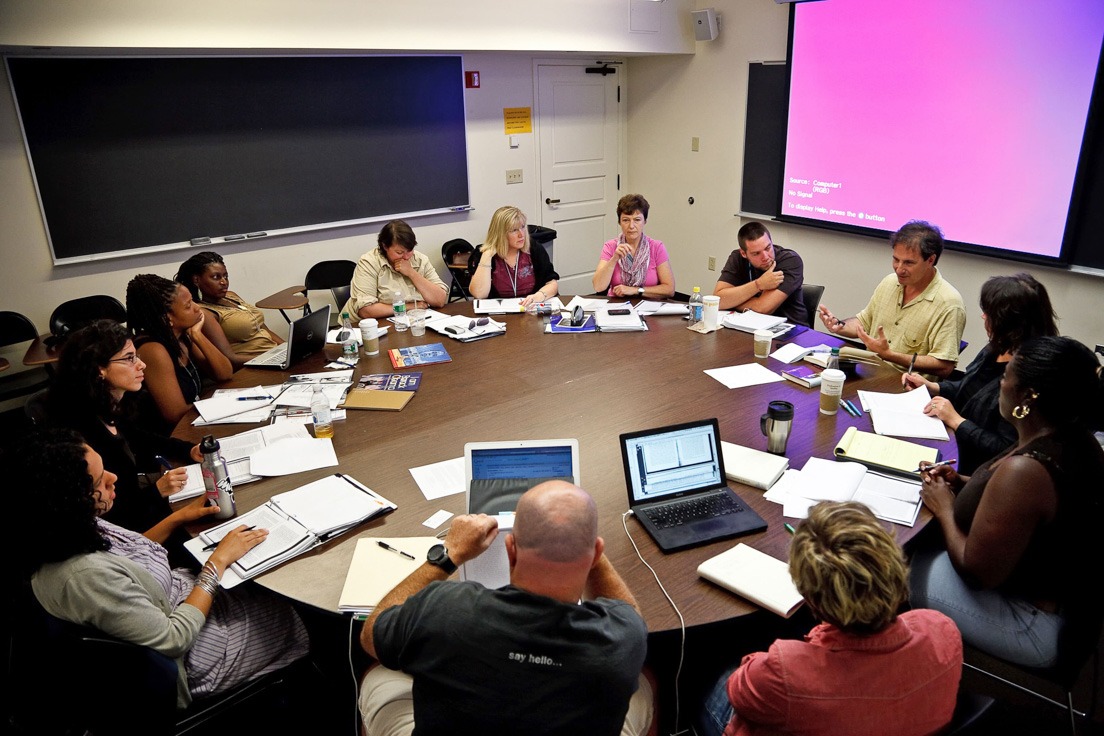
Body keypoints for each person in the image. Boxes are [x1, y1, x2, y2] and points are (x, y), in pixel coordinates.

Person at [16, 429, 310, 710]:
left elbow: (125, 558)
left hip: (183, 602)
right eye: (99, 481)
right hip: (193, 656)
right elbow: (174, 638)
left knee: (261, 578)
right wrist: (216, 563)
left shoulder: (67, 527)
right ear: (69, 498)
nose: (113, 478)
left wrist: (178, 518)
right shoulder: (83, 577)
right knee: (296, 602)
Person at [359, 481, 653, 736]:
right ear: (596, 553)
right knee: (644, 684)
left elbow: (371, 634)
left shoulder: (445, 609)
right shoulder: (621, 638)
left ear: (510, 549)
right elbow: (627, 614)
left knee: (378, 675)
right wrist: (581, 542)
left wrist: (449, 554)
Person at [910, 336, 1104, 668]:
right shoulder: (1069, 435)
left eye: (1007, 376)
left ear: (1028, 396)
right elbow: (1023, 504)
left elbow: (976, 572)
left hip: (1029, 621)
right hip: (1048, 596)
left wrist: (943, 507)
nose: (1000, 383)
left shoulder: (1028, 469)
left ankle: (913, 677)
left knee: (883, 571)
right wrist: (962, 482)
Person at [698, 502, 961, 736]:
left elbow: (738, 691)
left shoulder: (784, 671)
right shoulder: (941, 629)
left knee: (710, 672)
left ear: (809, 597)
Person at [46, 320, 206, 562]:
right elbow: (110, 514)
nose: (141, 364)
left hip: (143, 510)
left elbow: (140, 436)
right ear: (99, 369)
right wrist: (157, 490)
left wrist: (188, 449)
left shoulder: (107, 405)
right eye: (129, 358)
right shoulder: (81, 435)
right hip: (131, 541)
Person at [902, 273, 1059, 474]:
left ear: (1008, 321)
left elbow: (1005, 448)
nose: (983, 316)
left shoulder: (1029, 376)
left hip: (975, 469)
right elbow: (970, 388)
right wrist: (933, 387)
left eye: (989, 313)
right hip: (954, 442)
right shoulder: (998, 347)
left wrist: (957, 421)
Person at [818, 220, 966, 378]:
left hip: (906, 388)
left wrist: (889, 355)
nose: (899, 269)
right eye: (896, 260)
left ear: (930, 260)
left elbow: (944, 366)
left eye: (909, 263)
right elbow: (864, 324)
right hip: (869, 374)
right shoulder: (890, 282)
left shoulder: (949, 304)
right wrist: (839, 326)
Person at [126, 273, 233, 433]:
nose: (198, 308)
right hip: (169, 437)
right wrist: (221, 408)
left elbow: (224, 373)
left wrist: (198, 336)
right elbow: (175, 414)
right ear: (167, 318)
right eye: (188, 305)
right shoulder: (152, 350)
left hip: (194, 422)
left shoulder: (182, 335)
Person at [174, 251, 282, 370]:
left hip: (275, 356)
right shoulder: (205, 312)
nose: (224, 282)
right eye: (216, 277)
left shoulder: (232, 296)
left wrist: (288, 348)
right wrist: (271, 359)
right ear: (196, 280)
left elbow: (263, 328)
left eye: (225, 276)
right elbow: (230, 358)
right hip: (254, 366)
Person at [342, 219, 448, 326]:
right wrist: (409, 307)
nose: (406, 257)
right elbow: (366, 311)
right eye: (399, 252)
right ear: (385, 246)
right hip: (366, 327)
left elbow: (439, 300)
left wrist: (411, 273)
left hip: (411, 322)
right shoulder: (369, 263)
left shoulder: (420, 260)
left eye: (410, 250)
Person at [713, 221, 808, 325]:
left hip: (790, 330)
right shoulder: (737, 258)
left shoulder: (790, 261)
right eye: (756, 253)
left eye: (768, 248)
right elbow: (718, 301)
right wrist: (759, 284)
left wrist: (733, 302)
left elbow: (763, 309)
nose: (766, 257)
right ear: (744, 253)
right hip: (748, 326)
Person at [468, 206, 559, 307]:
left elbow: (552, 284)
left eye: (523, 227)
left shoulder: (533, 248)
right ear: (500, 234)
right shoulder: (483, 254)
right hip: (500, 313)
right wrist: (487, 256)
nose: (521, 235)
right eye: (514, 230)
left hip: (530, 309)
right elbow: (479, 294)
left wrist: (539, 295)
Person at [592, 194, 675, 299]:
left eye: (637, 220)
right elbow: (598, 287)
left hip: (649, 307)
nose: (631, 226)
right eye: (626, 220)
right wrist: (614, 259)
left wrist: (635, 290)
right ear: (619, 222)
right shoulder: (610, 246)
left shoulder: (656, 247)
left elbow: (669, 289)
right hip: (617, 306)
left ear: (645, 221)